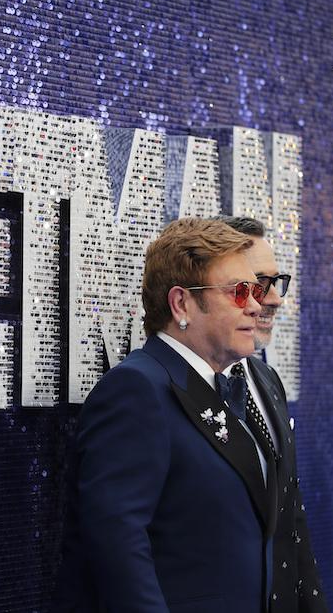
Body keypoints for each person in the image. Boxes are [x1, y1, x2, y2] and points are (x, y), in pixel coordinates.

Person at [54, 217, 278, 612]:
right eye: (240, 292)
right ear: (181, 304)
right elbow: (118, 546)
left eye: (255, 291)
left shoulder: (221, 384)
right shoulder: (136, 390)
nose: (257, 304)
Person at [217, 216, 327, 613]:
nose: (275, 299)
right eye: (258, 283)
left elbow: (290, 521)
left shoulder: (266, 380)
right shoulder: (160, 388)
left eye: (275, 282)